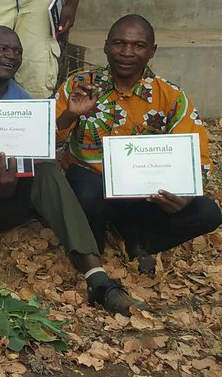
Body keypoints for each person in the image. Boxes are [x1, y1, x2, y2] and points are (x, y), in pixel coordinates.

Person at [0, 26, 143, 313]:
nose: (11, 56)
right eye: (2, 49)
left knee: (49, 172)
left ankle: (97, 277)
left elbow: (40, 145)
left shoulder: (24, 102)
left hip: (7, 202)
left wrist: (66, 117)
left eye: (17, 51)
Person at [55, 15, 221, 274]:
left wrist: (186, 195)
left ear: (152, 51)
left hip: (145, 196)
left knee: (207, 212)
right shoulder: (80, 84)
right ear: (106, 46)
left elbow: (197, 156)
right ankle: (94, 248)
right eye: (119, 43)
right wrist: (70, 115)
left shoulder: (170, 96)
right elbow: (45, 141)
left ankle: (138, 238)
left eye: (138, 45)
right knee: (85, 190)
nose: (127, 52)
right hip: (90, 188)